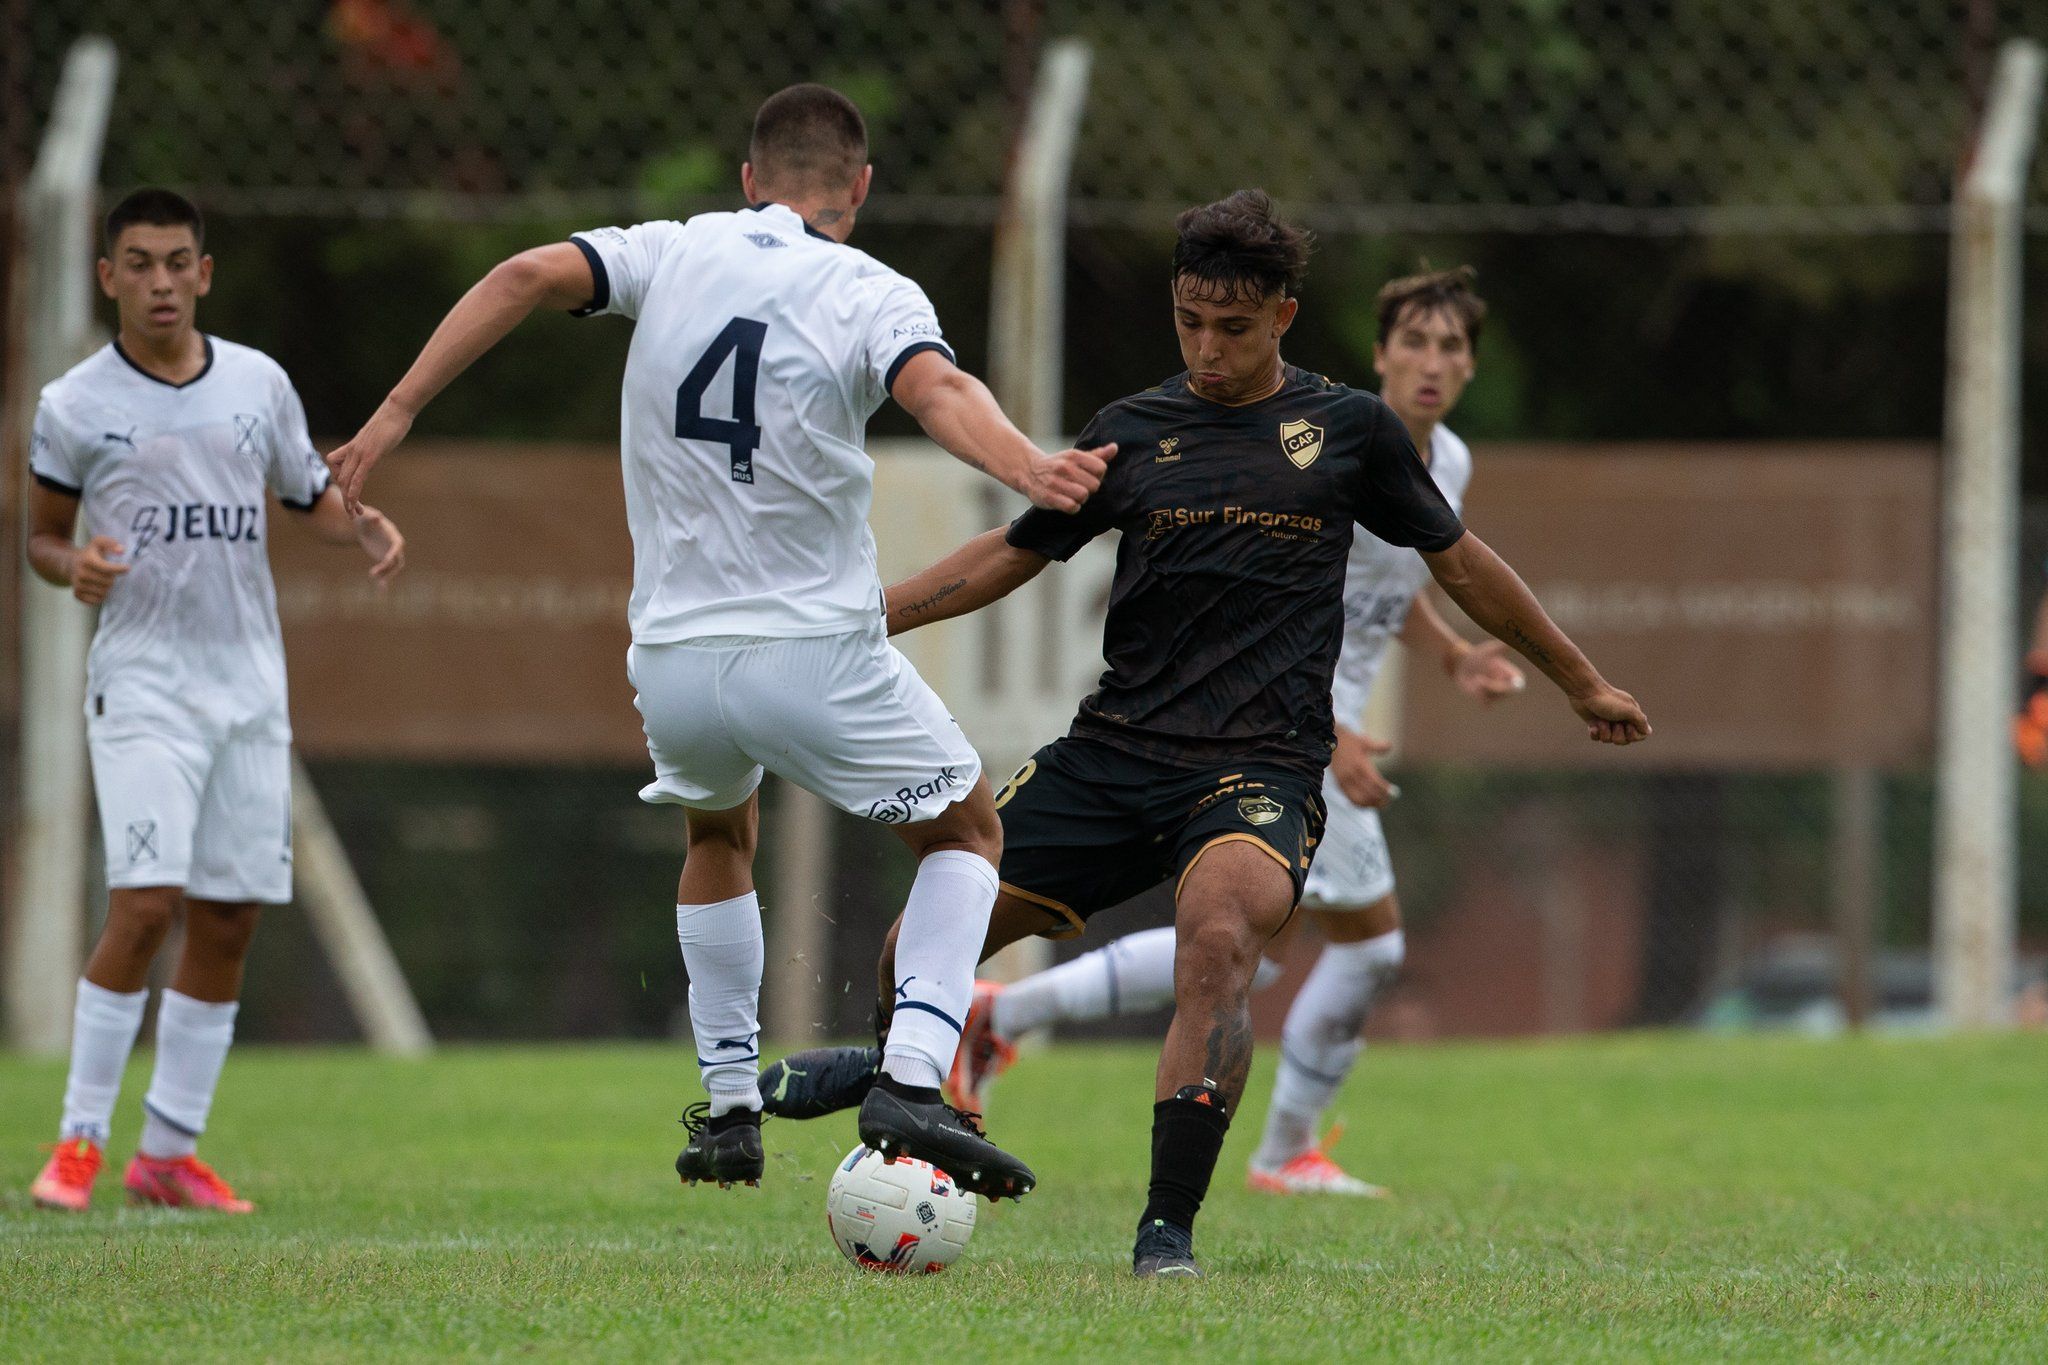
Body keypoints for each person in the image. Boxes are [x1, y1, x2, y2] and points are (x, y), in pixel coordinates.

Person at [760, 190, 1649, 1277]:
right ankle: (897, 1078)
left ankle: (1163, 1231)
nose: (1207, 348)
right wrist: (869, 617)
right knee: (916, 947)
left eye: (1232, 327)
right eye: (1188, 322)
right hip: (1112, 751)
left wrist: (1578, 679)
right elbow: (1012, 549)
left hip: (1257, 768)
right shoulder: (1133, 431)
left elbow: (1461, 565)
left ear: (1282, 314)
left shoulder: (1349, 433)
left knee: (1220, 941)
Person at [325, 84, 1111, 1200]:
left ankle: (730, 1110)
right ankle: (912, 1081)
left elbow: (520, 276)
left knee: (718, 837)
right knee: (966, 836)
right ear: (862, 188)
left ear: (748, 180)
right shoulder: (866, 287)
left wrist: (398, 410)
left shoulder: (670, 251)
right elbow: (934, 386)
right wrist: (1029, 466)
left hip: (672, 662)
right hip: (812, 650)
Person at [926, 267, 1518, 1200]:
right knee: (1359, 947)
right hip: (1292, 734)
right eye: (1414, 342)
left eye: (1451, 346)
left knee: (1249, 943)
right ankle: (1282, 1148)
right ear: (1380, 353)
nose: (1431, 362)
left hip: (1306, 730)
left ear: (1473, 364)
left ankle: (1002, 1014)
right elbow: (1261, 612)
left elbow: (1384, 586)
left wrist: (1449, 654)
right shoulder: (1328, 442)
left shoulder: (1445, 461)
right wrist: (1337, 731)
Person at [26, 188, 408, 1213]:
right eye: (138, 263)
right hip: (143, 682)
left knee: (230, 916)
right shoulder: (72, 405)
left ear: (204, 272)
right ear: (108, 276)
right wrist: (75, 568)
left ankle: (167, 1155)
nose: (159, 281)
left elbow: (305, 496)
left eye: (176, 262)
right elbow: (41, 537)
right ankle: (78, 1142)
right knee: (147, 903)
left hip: (247, 685)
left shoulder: (255, 383)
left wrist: (360, 526)